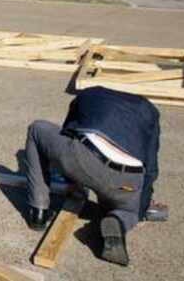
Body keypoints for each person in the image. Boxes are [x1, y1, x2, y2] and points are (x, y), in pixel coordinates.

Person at [23, 86, 164, 266]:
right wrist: (140, 208)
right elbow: (151, 168)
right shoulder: (150, 110)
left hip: (87, 157)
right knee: (128, 210)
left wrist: (71, 180)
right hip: (127, 180)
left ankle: (38, 211)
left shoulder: (90, 93)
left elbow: (68, 130)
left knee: (37, 129)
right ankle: (118, 221)